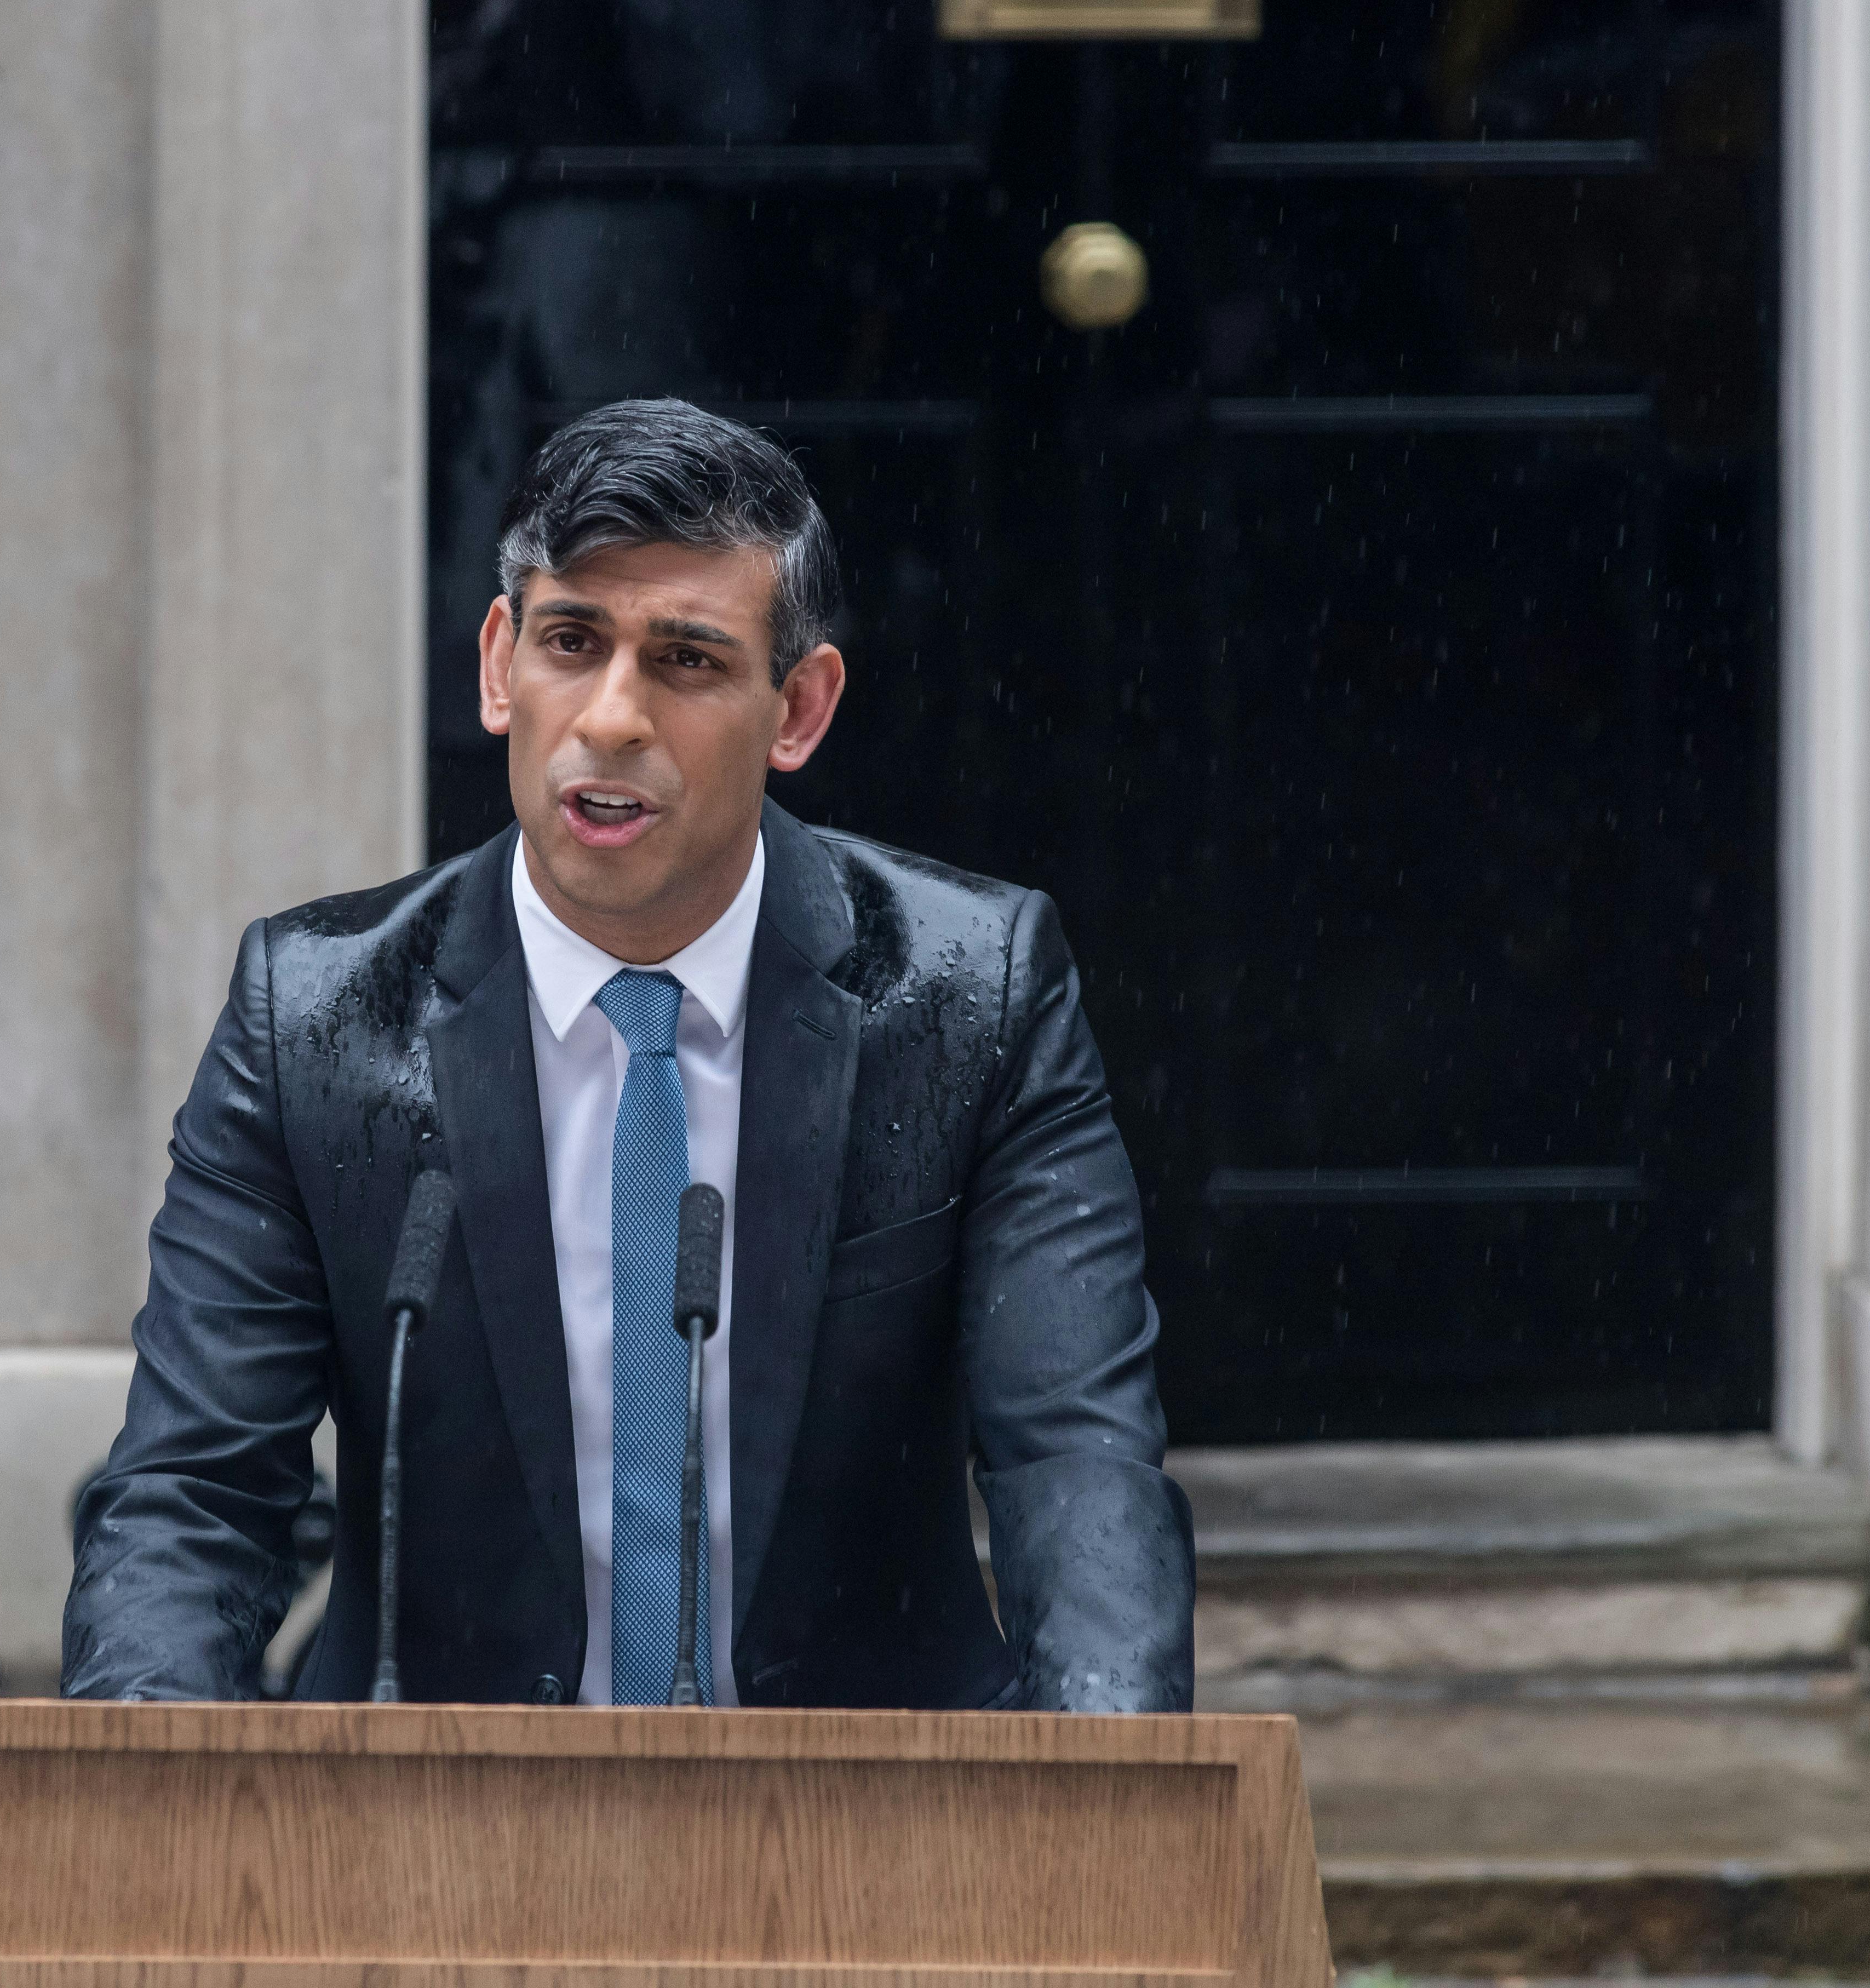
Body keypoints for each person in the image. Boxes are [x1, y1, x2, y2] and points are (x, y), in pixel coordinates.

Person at [63, 399, 1193, 1710]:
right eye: (571, 642)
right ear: (499, 667)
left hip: (862, 1835)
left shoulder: (973, 995)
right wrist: (141, 1798)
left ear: (800, 708)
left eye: (689, 661)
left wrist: (1111, 1820)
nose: (609, 717)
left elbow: (1077, 1462)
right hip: (434, 1836)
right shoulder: (313, 1018)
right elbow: (196, 1489)